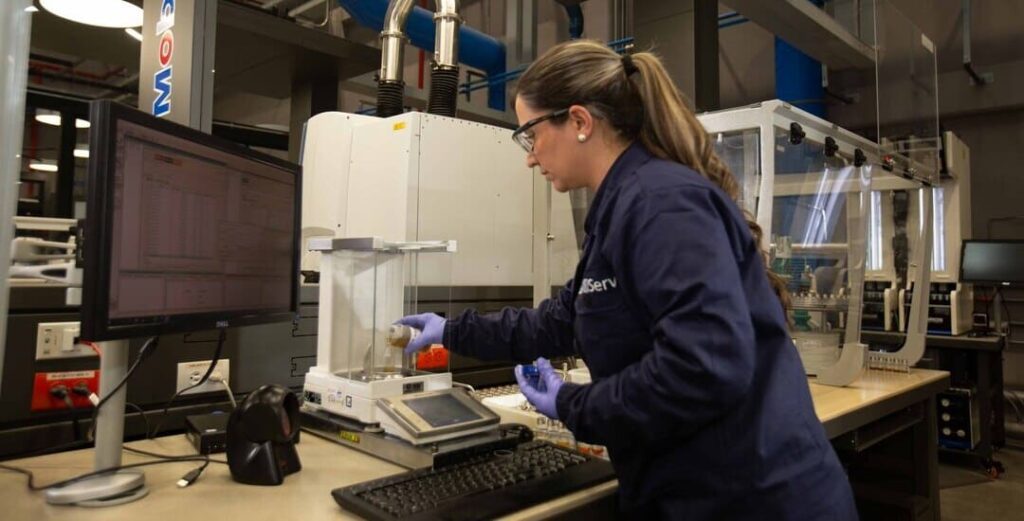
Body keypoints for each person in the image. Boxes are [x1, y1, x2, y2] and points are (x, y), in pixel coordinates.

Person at [398, 40, 857, 520]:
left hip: (751, 498)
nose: (529, 158)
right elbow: (564, 320)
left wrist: (574, 404)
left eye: (530, 135)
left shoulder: (661, 204)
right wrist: (451, 331)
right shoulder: (621, 207)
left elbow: (701, 368)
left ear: (579, 121)